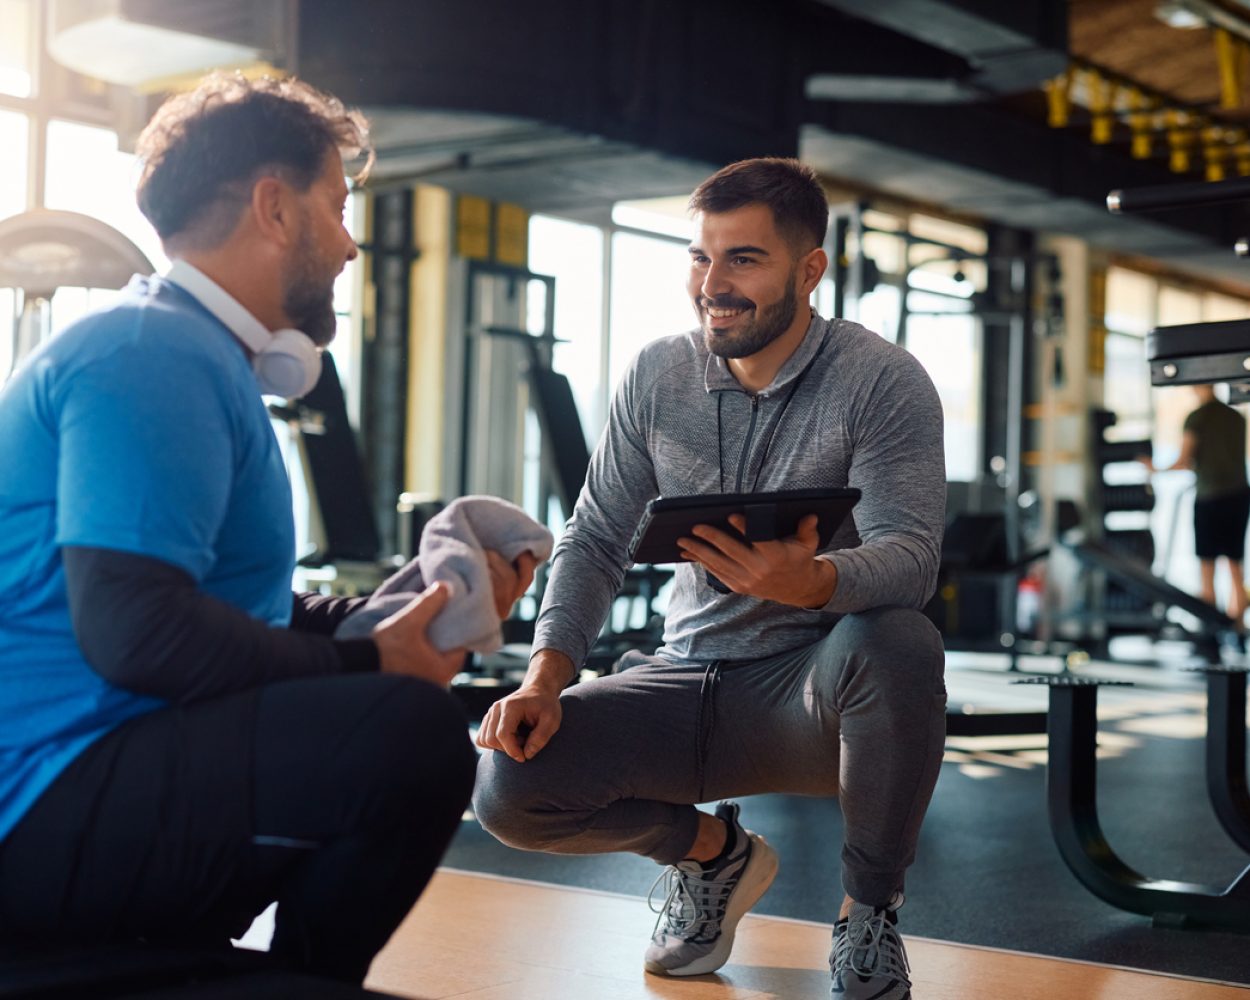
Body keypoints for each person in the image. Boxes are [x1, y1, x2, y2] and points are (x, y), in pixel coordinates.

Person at [0, 73, 534, 984]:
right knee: (404, 733)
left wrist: (395, 613)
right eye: (338, 205)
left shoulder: (192, 355)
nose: (352, 243)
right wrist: (372, 665)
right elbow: (137, 632)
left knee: (395, 708)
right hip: (39, 802)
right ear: (274, 208)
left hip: (92, 776)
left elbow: (223, 608)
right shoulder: (150, 353)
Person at [473, 157, 946, 1000]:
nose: (712, 285)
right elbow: (594, 539)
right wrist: (545, 677)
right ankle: (717, 857)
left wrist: (817, 583)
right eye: (700, 257)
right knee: (512, 787)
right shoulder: (658, 374)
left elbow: (911, 558)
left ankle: (869, 914)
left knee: (900, 640)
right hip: (683, 678)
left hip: (810, 696)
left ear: (810, 270)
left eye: (743, 260)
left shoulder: (881, 380)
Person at [1142, 383, 1249, 624]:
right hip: (1239, 496)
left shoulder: (1197, 418)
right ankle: (1238, 625)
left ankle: (1212, 628)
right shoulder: (1235, 417)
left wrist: (1155, 469)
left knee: (1207, 567)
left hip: (1210, 497)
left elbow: (1183, 460)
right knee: (1235, 566)